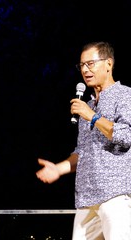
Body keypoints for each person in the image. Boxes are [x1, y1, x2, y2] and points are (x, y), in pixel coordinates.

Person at [36, 41, 131, 240]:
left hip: (115, 195)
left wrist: (93, 117)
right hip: (86, 198)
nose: (85, 70)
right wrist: (59, 169)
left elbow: (125, 136)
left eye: (91, 63)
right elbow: (83, 150)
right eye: (82, 65)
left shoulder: (125, 95)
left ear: (108, 64)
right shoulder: (87, 106)